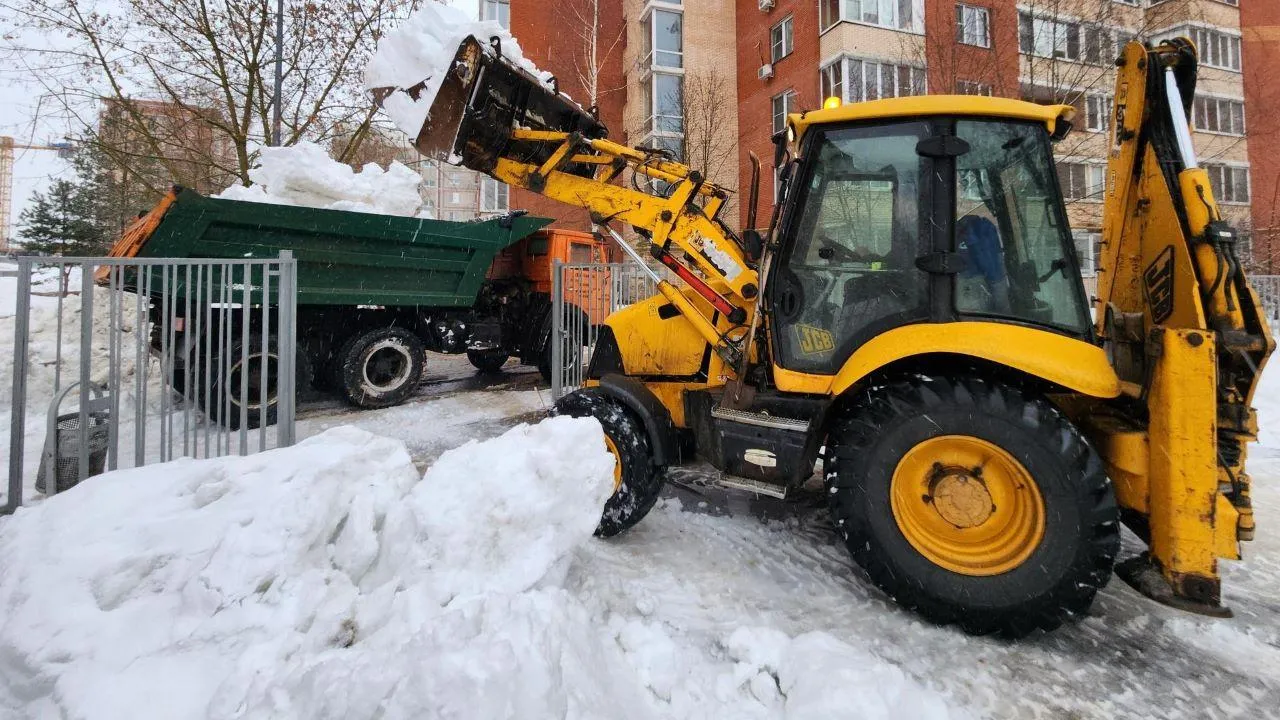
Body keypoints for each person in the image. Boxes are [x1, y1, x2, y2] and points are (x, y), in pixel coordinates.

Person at [956, 214, 1011, 313]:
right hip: (976, 291)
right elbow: (993, 270)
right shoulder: (982, 229)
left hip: (958, 290)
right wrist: (1005, 310)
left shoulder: (956, 231)